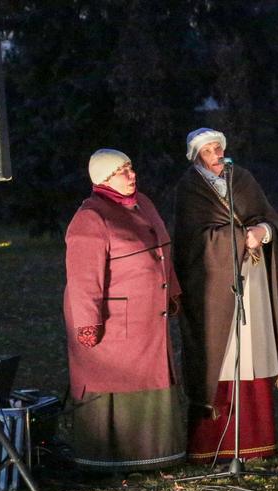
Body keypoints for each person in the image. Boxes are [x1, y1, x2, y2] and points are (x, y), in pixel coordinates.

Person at [62, 149, 185, 472]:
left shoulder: (143, 203)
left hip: (149, 321)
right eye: (122, 171)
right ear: (103, 179)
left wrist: (171, 291)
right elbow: (82, 279)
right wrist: (88, 325)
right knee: (117, 382)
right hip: (116, 325)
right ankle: (112, 457)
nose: (131, 176)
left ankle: (157, 453)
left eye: (131, 168)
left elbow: (162, 248)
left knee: (155, 376)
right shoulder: (91, 217)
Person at [173, 128, 278, 463]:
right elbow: (192, 239)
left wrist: (262, 232)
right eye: (208, 150)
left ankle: (257, 438)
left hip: (252, 280)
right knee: (222, 350)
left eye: (219, 147)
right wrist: (238, 239)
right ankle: (213, 442)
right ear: (197, 156)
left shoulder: (243, 177)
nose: (217, 154)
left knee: (253, 348)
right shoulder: (190, 187)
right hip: (215, 285)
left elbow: (270, 217)